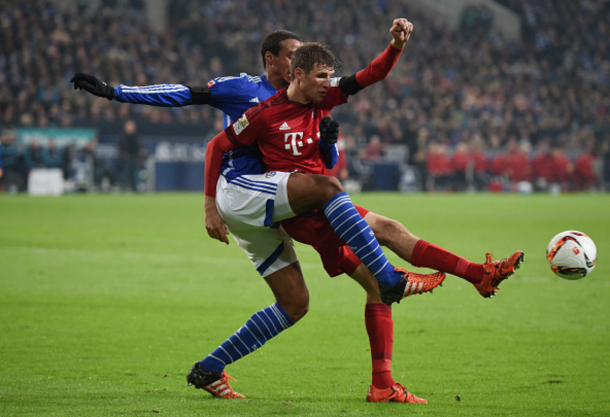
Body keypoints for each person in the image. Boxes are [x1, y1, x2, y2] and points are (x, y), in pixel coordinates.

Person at [71, 23, 523, 402]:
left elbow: (336, 138)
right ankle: (416, 279)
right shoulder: (251, 96)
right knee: (368, 229)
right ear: (275, 61)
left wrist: (334, 135)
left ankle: (218, 369)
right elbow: (184, 97)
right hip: (247, 193)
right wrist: (116, 92)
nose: (303, 66)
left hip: (281, 200)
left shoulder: (317, 99)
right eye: (293, 58)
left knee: (298, 301)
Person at [117, 120, 142, 192]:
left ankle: (135, 188)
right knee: (125, 173)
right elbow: (121, 147)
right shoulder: (122, 136)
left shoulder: (136, 136)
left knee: (135, 173)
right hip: (124, 159)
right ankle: (123, 188)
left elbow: (137, 146)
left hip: (134, 157)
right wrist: (124, 154)